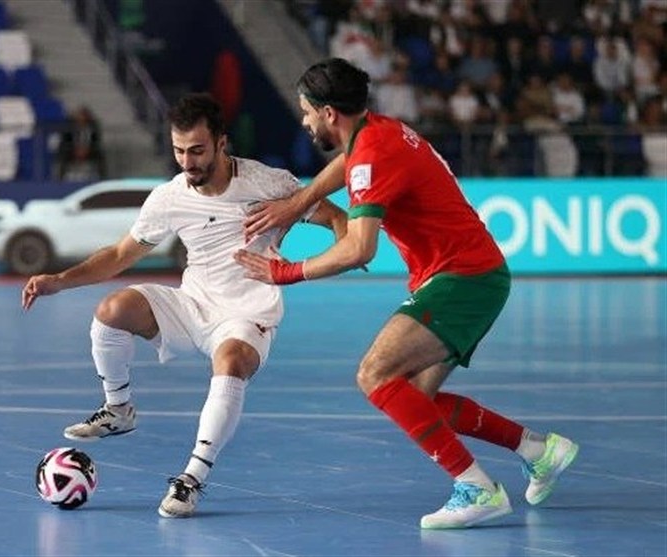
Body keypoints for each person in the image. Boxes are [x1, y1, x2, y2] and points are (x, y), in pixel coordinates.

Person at [236, 58, 579, 529]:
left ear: (329, 113)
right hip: (471, 274)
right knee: (415, 396)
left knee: (374, 375)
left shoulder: (373, 154)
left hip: (463, 277)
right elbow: (347, 165)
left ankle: (477, 487)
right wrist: (296, 204)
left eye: (307, 111)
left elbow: (359, 249)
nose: (304, 120)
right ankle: (539, 451)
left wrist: (284, 272)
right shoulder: (377, 131)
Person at [22, 93, 346, 518]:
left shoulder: (269, 183)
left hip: (247, 313)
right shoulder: (170, 197)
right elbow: (121, 255)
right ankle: (118, 408)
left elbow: (341, 222)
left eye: (197, 150)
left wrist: (305, 268)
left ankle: (192, 478)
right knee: (113, 310)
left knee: (229, 362)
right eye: (179, 151)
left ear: (221, 143)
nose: (187, 162)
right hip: (192, 304)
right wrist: (59, 281)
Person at [56, 105, 107, 180]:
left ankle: (102, 178)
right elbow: (65, 141)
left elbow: (96, 141)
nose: (81, 118)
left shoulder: (93, 127)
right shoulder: (69, 127)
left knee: (99, 155)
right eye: (79, 116)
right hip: (72, 150)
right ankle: (60, 179)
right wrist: (75, 150)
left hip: (88, 151)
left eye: (83, 116)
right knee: (64, 155)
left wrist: (86, 150)